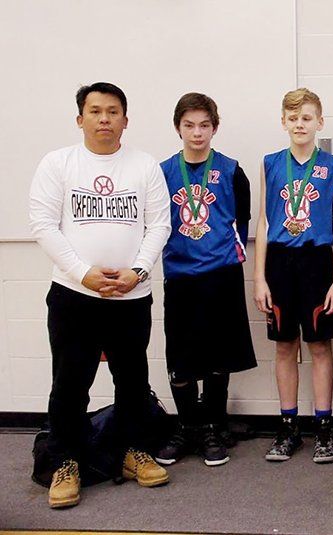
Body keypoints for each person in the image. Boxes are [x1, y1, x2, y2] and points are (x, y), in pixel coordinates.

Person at [29, 82, 171, 508]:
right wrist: (83, 273)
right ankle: (65, 462)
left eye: (112, 111)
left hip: (132, 296)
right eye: (95, 111)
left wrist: (137, 271)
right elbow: (43, 224)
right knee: (70, 383)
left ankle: (132, 451)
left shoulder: (144, 166)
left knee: (133, 381)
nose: (104, 119)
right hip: (74, 295)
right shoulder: (58, 163)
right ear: (80, 119)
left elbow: (159, 225)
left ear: (126, 120)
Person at [154, 93, 256, 467]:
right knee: (181, 357)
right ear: (177, 128)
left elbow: (241, 222)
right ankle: (188, 426)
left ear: (215, 127)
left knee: (218, 356)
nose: (197, 133)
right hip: (180, 274)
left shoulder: (231, 170)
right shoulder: (162, 173)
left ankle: (213, 426)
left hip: (222, 274)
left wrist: (221, 252)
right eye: (189, 125)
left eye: (204, 125)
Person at [253, 88, 333, 463]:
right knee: (284, 346)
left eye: (307, 118)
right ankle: (288, 426)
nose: (300, 124)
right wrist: (259, 277)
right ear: (283, 122)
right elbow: (263, 221)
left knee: (320, 346)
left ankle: (324, 427)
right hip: (279, 262)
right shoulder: (270, 163)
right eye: (293, 118)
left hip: (318, 261)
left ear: (319, 122)